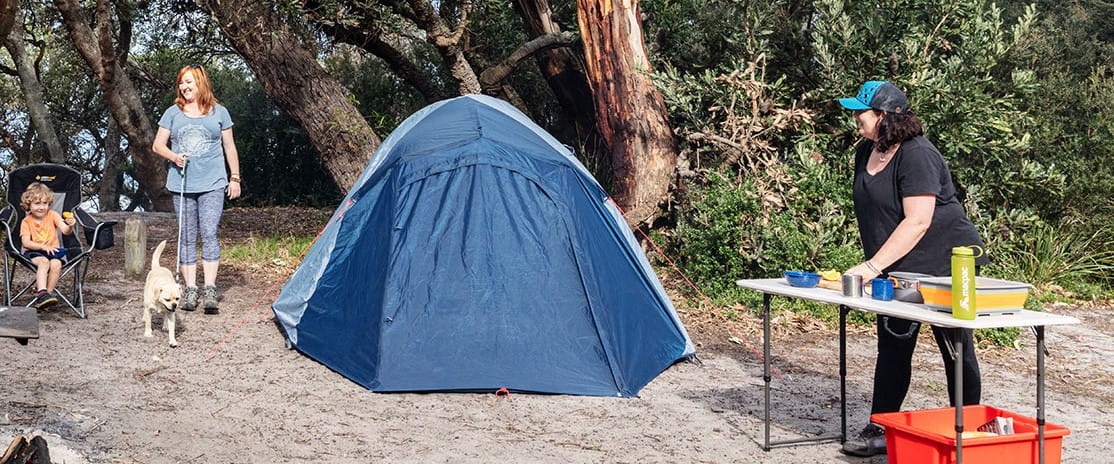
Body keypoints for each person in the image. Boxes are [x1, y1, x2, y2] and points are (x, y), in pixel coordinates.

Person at [837, 81, 990, 457]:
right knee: (892, 347)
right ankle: (880, 428)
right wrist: (880, 264)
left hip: (945, 267)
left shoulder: (918, 155)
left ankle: (966, 429)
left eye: (862, 111)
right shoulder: (867, 151)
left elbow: (917, 221)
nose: (856, 117)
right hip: (897, 267)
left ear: (885, 116)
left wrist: (872, 266)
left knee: (955, 348)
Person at [152, 63, 242, 314]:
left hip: (213, 183)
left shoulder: (219, 112)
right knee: (187, 235)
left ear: (201, 83)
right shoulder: (173, 112)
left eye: (189, 81)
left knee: (210, 233)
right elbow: (158, 145)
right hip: (182, 184)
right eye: (181, 82)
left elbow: (230, 147)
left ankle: (210, 289)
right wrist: (174, 157)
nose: (184, 86)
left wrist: (235, 178)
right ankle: (190, 289)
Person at [19, 182, 77, 310]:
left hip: (53, 252)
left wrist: (70, 225)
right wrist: (42, 247)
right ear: (29, 204)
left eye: (44, 203)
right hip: (34, 252)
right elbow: (26, 243)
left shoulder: (53, 215)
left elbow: (65, 231)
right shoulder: (26, 221)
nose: (41, 207)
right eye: (37, 203)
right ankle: (42, 293)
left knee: (56, 264)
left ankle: (47, 297)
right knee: (44, 262)